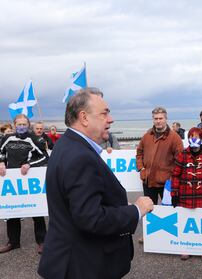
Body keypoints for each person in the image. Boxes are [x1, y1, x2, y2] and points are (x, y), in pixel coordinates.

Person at [38, 88, 154, 279]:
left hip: (73, 260)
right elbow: (91, 218)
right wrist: (136, 209)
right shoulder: (79, 156)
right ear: (84, 118)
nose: (111, 119)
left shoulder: (67, 145)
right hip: (83, 265)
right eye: (104, 113)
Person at [0, 114, 48, 254]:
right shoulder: (7, 138)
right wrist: (2, 162)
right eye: (19, 124)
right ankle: (13, 242)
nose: (21, 127)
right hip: (11, 180)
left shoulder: (34, 139)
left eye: (24, 124)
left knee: (36, 212)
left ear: (28, 125)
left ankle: (42, 242)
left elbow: (45, 157)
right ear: (14, 125)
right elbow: (1, 152)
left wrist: (29, 164)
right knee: (12, 210)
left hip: (29, 179)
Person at [171, 127, 202, 261]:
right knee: (186, 223)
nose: (194, 139)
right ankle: (186, 248)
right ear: (188, 139)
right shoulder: (182, 154)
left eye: (197, 137)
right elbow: (175, 175)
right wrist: (174, 194)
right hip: (185, 194)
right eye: (191, 136)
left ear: (201, 139)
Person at [136, 107, 183, 205]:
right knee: (149, 212)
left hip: (167, 183)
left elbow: (180, 160)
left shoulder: (175, 138)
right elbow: (139, 153)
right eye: (156, 118)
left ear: (166, 119)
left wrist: (172, 177)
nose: (158, 121)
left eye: (160, 118)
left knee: (170, 211)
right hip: (148, 182)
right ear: (153, 119)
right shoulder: (147, 136)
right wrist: (141, 169)